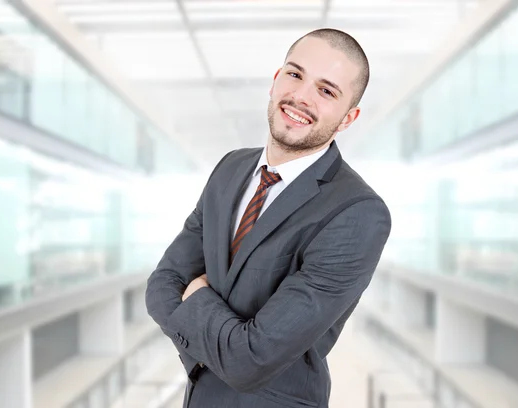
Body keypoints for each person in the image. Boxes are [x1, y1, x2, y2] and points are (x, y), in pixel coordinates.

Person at [145, 28, 392, 408]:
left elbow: (251, 361)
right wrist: (223, 344)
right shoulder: (230, 168)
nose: (301, 97)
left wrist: (196, 297)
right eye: (295, 75)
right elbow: (161, 286)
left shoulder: (358, 213)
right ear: (276, 80)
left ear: (348, 118)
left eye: (326, 91)